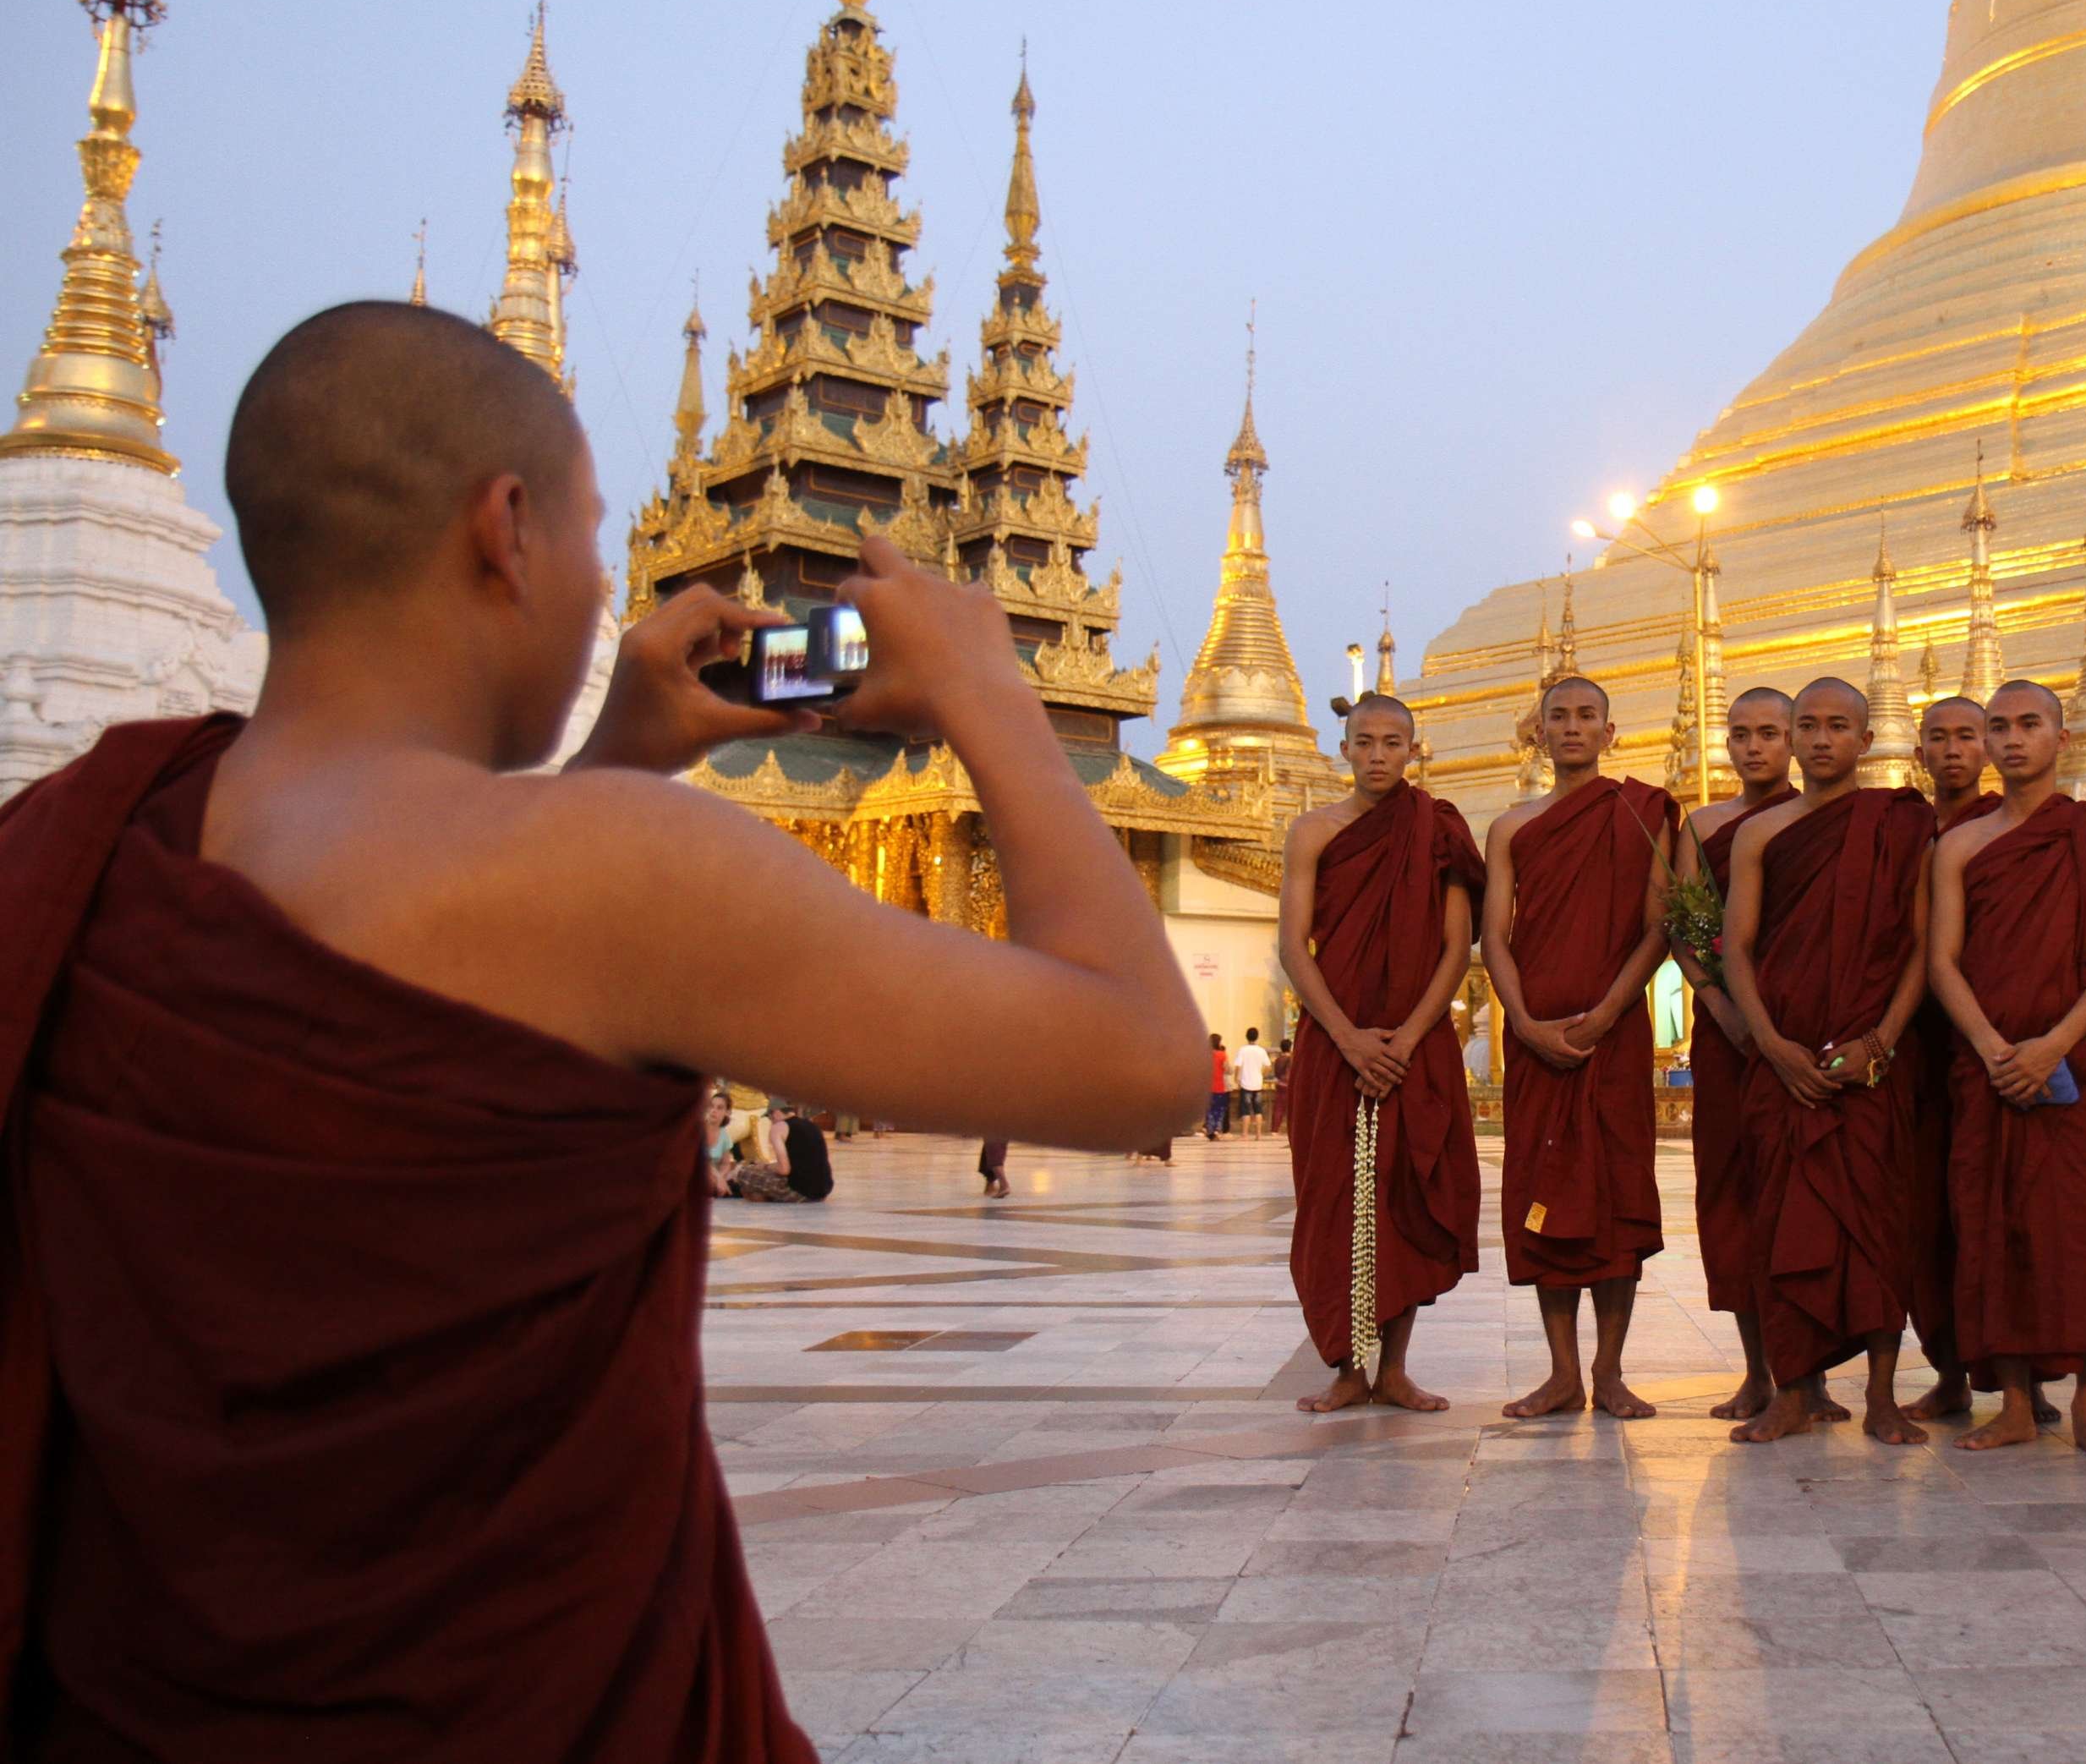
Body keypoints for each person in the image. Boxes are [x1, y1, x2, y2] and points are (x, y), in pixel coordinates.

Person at [0, 304, 1203, 1757]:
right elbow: (1144, 1060)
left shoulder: (74, 852)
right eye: (590, 539)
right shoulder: (629, 874)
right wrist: (988, 690)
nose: (597, 585)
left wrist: (614, 755)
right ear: (504, 530)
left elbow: (453, 939)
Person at [1928, 682, 2086, 1454]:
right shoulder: (1957, 845)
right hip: (1988, 1068)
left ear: (2062, 737)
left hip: (2078, 1063)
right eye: (2000, 727)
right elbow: (1941, 961)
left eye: (2030, 725)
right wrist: (1993, 1047)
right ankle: (2015, 1402)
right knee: (1995, 1226)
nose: (2013, 739)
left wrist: (2053, 1043)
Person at [1719, 679, 1938, 1446]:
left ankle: (1880, 1395)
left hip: (1869, 1061)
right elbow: (1735, 950)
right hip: (1783, 1062)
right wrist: (1772, 1044)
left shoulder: (1901, 825)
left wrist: (1882, 1040)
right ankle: (1795, 1391)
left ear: (1866, 739)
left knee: (1878, 1225)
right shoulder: (1760, 834)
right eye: (1807, 725)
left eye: (1838, 726)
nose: (1820, 740)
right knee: (1782, 1225)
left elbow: (1921, 948)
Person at [1277, 694, 1485, 1414]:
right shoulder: (1311, 832)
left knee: (1406, 1198)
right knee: (1332, 1199)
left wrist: (1408, 1032)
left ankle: (1393, 1368)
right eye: (1364, 741)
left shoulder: (1438, 830)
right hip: (1334, 1043)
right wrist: (1347, 1035)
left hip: (1415, 1044)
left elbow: (1458, 947)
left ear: (1412, 750)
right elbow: (1293, 948)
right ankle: (1345, 1367)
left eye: (1392, 742)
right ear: (1344, 750)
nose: (1377, 755)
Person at [1481, 674, 1676, 1419]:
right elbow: (1495, 933)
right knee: (1545, 1192)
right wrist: (1524, 1020)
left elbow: (1659, 925)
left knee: (1616, 1196)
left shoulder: (1640, 809)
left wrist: (1608, 1011)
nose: (1571, 728)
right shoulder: (1511, 826)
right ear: (1539, 730)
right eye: (1558, 716)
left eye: (1586, 716)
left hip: (1614, 1036)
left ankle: (1610, 1370)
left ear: (1610, 730)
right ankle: (1562, 1372)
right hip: (1536, 1039)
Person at [1673, 688, 1799, 1422]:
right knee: (1733, 1197)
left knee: (1802, 1199)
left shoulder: (1820, 820)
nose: (1754, 748)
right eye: (1741, 734)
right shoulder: (1705, 823)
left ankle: (1804, 1373)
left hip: (1801, 1029)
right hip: (1728, 1036)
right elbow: (1683, 926)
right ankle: (1757, 1370)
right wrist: (1719, 1003)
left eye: (1768, 734)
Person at [1899, 693, 1999, 1424]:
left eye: (1968, 735)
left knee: (1996, 1208)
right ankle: (1949, 1368)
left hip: (1991, 1037)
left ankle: (2015, 1371)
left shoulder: (2011, 828)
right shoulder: (1895, 832)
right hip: (1913, 1048)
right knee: (1927, 1216)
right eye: (1939, 737)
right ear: (1918, 751)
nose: (1954, 749)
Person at [774, 1104, 834, 1203]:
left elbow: (784, 1170)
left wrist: (766, 1167)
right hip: (824, 1189)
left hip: (801, 1191)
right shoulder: (812, 1125)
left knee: (746, 1174)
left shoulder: (779, 1127)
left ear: (776, 1113)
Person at [1235, 1026, 1272, 1137]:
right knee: (1258, 1110)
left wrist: (1236, 1078)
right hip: (1258, 1083)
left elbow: (1238, 1066)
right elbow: (1268, 1066)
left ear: (1247, 1037)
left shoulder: (1243, 1050)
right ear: (1257, 1037)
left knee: (1246, 1110)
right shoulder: (1261, 1050)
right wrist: (1262, 1074)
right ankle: (1258, 1134)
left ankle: (1245, 1134)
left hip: (1246, 1083)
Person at [1204, 1033, 1230, 1139]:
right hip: (1220, 1087)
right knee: (1219, 1111)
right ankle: (1216, 1131)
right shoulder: (1222, 1055)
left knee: (1210, 1110)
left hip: (1208, 1088)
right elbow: (1228, 1069)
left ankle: (1209, 1130)